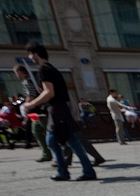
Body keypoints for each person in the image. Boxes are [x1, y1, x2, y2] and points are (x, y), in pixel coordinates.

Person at [23, 41, 97, 181]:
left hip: (56, 110)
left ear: (36, 54)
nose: (29, 57)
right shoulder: (50, 68)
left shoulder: (44, 69)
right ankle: (84, 170)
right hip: (60, 109)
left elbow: (49, 93)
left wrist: (32, 103)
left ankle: (65, 171)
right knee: (72, 141)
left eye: (30, 53)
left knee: (52, 140)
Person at [13, 64, 51, 162]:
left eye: (16, 73)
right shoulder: (30, 80)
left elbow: (31, 95)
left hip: (38, 110)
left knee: (49, 131)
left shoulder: (27, 81)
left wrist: (27, 105)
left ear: (20, 72)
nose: (16, 75)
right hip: (35, 112)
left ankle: (56, 153)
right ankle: (46, 153)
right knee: (36, 131)